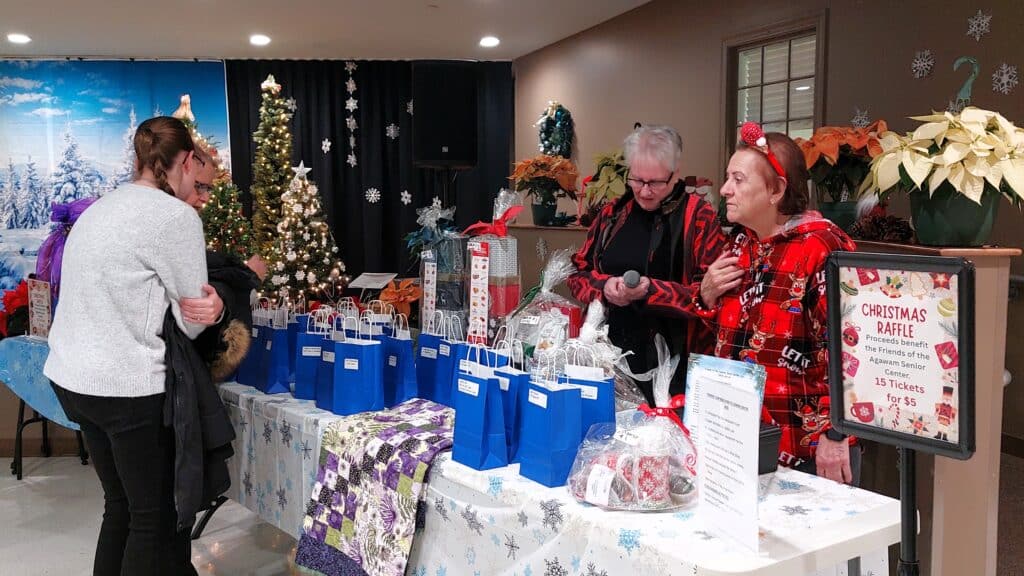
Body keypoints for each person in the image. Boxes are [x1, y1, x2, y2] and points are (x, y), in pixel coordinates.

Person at [45, 116, 222, 575]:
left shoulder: (100, 208)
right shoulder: (175, 217)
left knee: (121, 505)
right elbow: (193, 323)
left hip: (72, 378)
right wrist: (216, 308)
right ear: (187, 160)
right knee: (153, 519)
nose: (199, 190)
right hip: (124, 387)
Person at [695, 122, 859, 484]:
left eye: (738, 180)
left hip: (808, 448)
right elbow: (728, 336)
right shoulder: (741, 243)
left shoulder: (823, 248)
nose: (724, 189)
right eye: (728, 178)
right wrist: (706, 295)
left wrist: (836, 435)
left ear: (776, 190)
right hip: (740, 438)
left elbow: (852, 351)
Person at [568, 125, 727, 403]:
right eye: (637, 180)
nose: (644, 192)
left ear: (675, 174)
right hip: (606, 361)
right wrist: (605, 287)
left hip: (674, 372)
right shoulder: (612, 214)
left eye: (655, 183)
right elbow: (576, 274)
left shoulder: (698, 217)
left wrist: (650, 291)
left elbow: (710, 297)